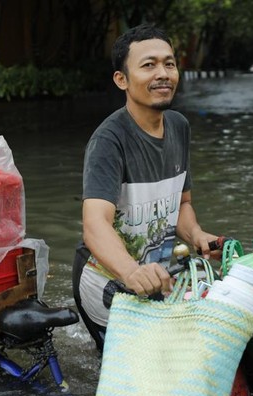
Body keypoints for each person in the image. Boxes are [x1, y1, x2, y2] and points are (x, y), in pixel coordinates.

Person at [72, 24, 219, 352]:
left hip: (157, 278)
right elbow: (95, 225)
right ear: (121, 79)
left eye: (169, 63)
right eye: (148, 65)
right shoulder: (109, 140)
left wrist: (197, 236)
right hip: (108, 282)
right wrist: (131, 271)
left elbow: (181, 204)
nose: (163, 73)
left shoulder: (179, 127)